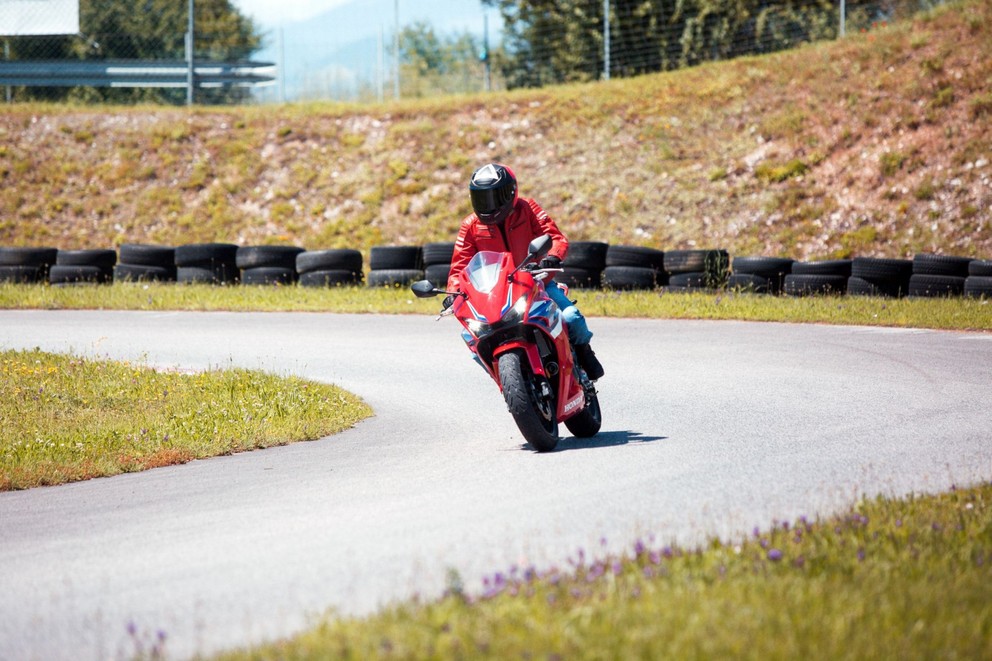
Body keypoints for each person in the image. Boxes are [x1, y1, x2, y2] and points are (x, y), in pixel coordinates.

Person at [445, 163, 604, 380]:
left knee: (571, 317)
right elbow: (460, 265)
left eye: (494, 197)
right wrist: (453, 293)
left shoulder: (528, 208)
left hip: (536, 283)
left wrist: (552, 257)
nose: (488, 205)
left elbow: (555, 237)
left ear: (510, 192)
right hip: (495, 293)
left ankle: (585, 353)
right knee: (474, 340)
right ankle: (509, 381)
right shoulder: (470, 226)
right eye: (482, 198)